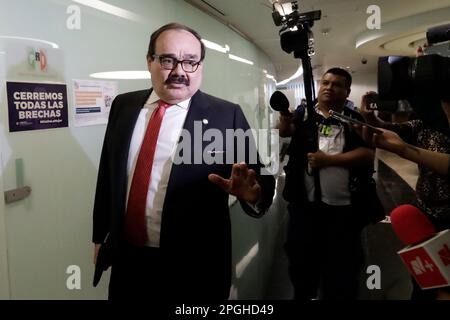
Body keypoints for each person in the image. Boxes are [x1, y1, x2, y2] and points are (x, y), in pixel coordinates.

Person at [92, 22, 275, 301]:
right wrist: (100, 235)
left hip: (194, 267)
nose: (179, 72)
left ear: (200, 65)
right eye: (168, 60)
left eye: (190, 62)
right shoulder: (124, 106)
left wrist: (254, 193)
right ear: (149, 61)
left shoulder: (226, 116)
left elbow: (260, 180)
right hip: (128, 260)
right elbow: (108, 173)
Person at [277, 68, 378, 300]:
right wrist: (284, 117)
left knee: (343, 270)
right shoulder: (303, 115)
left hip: (344, 211)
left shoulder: (354, 120)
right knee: (301, 264)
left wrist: (328, 160)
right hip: (305, 208)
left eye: (337, 84)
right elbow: (286, 131)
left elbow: (367, 155)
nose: (329, 87)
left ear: (347, 91)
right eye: (326, 82)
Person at [355, 125, 449, 176]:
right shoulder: (426, 120)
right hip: (423, 203)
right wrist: (403, 149)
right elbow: (393, 127)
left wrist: (404, 150)